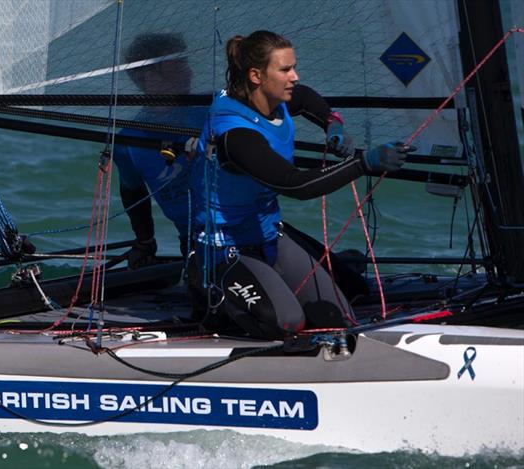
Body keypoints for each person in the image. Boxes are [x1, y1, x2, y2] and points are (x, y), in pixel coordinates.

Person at [189, 30, 411, 339]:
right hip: (224, 247)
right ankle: (208, 294)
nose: (294, 76)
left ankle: (279, 276)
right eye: (285, 70)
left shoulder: (271, 99)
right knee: (286, 323)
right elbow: (295, 186)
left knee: (341, 314)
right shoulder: (235, 134)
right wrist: (364, 163)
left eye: (293, 67)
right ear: (256, 76)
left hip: (268, 235)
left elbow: (305, 97)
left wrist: (331, 122)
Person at [113, 33, 206, 269]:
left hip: (243, 229)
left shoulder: (212, 111)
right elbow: (133, 192)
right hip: (195, 242)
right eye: (178, 66)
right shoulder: (129, 142)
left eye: (186, 64)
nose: (190, 73)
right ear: (149, 78)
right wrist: (145, 242)